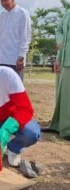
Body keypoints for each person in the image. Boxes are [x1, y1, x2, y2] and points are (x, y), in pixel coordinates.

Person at [0, 0, 31, 81]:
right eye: (2, 1)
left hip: (15, 60)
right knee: (1, 90)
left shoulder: (23, 13)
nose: (3, 3)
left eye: (5, 0)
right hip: (0, 60)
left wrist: (21, 57)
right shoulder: (2, 16)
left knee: (15, 90)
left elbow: (25, 37)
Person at [50, 10, 70, 140]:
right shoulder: (68, 11)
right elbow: (59, 30)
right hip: (64, 57)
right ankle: (58, 125)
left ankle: (66, 129)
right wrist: (58, 58)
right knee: (62, 94)